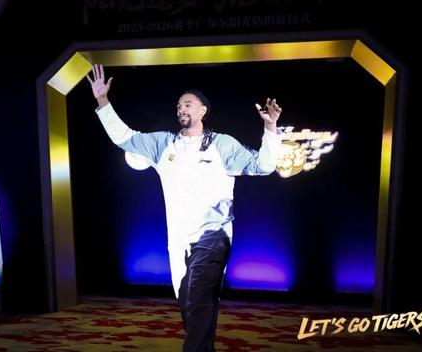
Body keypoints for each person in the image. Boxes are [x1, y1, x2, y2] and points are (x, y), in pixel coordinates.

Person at [86, 64, 282, 351]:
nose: (181, 109)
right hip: (178, 241)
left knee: (198, 296)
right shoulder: (163, 144)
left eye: (188, 104)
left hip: (213, 235)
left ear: (203, 111)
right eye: (179, 106)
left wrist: (270, 127)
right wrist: (102, 100)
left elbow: (263, 166)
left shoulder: (222, 144)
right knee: (191, 303)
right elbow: (123, 137)